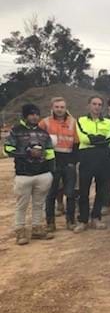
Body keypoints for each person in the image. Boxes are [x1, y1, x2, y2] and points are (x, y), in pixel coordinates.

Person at [4, 104, 55, 244]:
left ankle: (37, 229)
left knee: (39, 204)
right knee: (22, 205)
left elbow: (50, 152)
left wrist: (51, 170)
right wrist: (27, 153)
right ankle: (20, 231)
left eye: (37, 114)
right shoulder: (16, 131)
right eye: (31, 114)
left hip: (42, 173)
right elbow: (7, 149)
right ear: (25, 115)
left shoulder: (43, 133)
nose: (35, 117)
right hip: (23, 174)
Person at [74, 96, 110, 233]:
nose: (97, 107)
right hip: (87, 156)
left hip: (103, 157)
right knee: (83, 190)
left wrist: (92, 138)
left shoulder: (108, 122)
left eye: (99, 104)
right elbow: (83, 138)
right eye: (94, 104)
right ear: (89, 105)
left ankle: (96, 217)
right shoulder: (81, 120)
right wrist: (98, 139)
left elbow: (109, 140)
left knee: (101, 189)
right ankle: (83, 220)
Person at [38, 97, 78, 232]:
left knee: (70, 193)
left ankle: (71, 221)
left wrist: (73, 161)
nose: (59, 109)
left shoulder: (73, 122)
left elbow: (77, 143)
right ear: (52, 108)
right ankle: (50, 223)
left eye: (62, 107)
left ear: (66, 108)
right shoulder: (45, 122)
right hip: (52, 161)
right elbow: (37, 140)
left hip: (68, 160)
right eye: (57, 107)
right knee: (51, 193)